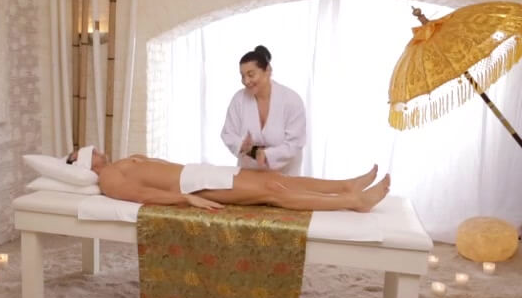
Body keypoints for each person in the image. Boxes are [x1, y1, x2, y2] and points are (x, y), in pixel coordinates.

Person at [67, 147, 390, 213]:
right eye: (88, 151)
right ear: (84, 164)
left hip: (198, 172)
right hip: (192, 185)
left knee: (274, 177)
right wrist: (185, 198)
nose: (96, 149)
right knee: (272, 191)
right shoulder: (108, 176)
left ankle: (344, 185)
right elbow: (140, 195)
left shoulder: (122, 161)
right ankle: (353, 201)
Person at [221, 45, 306, 175]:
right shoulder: (239, 99)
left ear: (268, 70)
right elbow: (228, 134)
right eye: (242, 76)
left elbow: (295, 143)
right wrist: (244, 147)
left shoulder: (291, 100)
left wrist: (266, 155)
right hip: (250, 174)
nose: (246, 81)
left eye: (251, 74)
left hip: (285, 175)